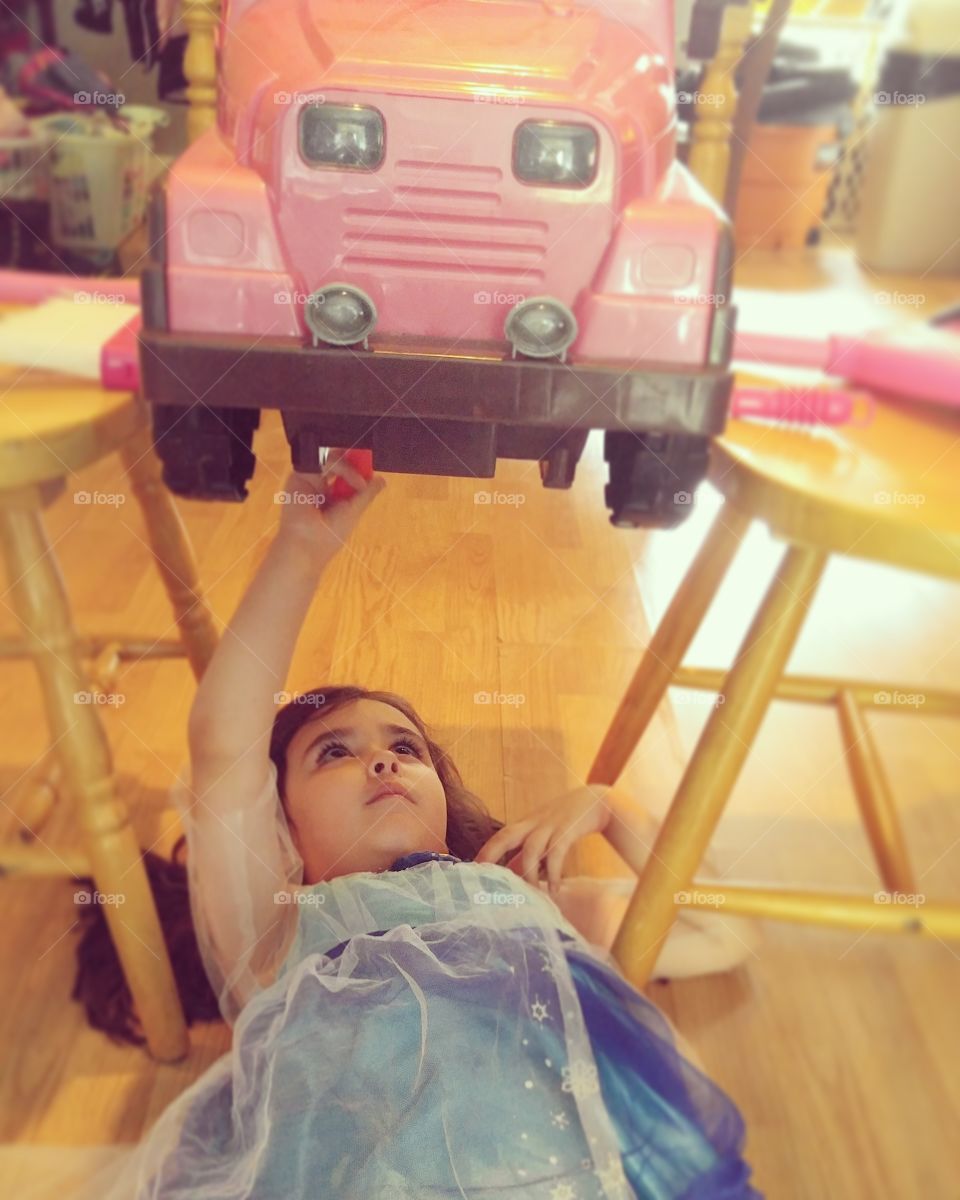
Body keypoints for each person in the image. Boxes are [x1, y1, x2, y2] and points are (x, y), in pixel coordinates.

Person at [69, 455, 762, 1199]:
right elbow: (222, 743)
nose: (383, 762)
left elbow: (720, 931)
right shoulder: (276, 933)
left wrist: (606, 806)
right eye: (334, 753)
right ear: (280, 833)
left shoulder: (512, 896)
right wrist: (300, 553)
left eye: (406, 747)